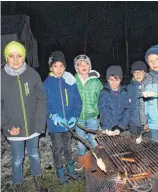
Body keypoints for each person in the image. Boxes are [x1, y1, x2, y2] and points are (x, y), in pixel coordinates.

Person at [1, 41, 48, 192]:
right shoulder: (1, 77)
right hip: (14, 129)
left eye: (19, 55)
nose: (15, 59)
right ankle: (18, 182)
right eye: (11, 56)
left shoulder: (32, 74)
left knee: (34, 153)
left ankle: (37, 178)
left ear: (24, 57)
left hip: (33, 126)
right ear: (6, 57)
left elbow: (41, 100)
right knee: (17, 159)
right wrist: (7, 127)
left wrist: (40, 124)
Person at [43, 51, 83, 184]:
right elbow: (43, 103)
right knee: (57, 147)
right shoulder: (47, 84)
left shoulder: (70, 81)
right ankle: (60, 171)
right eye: (55, 66)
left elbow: (78, 101)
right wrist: (52, 115)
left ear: (65, 67)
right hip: (55, 125)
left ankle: (70, 168)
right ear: (50, 68)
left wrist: (74, 117)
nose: (59, 69)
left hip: (68, 124)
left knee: (68, 146)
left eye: (61, 66)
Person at [73, 54, 103, 170]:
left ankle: (96, 160)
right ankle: (82, 159)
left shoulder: (95, 82)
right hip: (78, 117)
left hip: (92, 116)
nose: (83, 66)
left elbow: (101, 98)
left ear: (89, 66)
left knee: (93, 140)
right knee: (81, 141)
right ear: (77, 68)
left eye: (86, 64)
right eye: (80, 65)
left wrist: (99, 112)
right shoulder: (73, 81)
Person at [98, 65, 130, 133]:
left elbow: (127, 110)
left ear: (121, 79)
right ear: (107, 79)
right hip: (107, 128)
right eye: (111, 80)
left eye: (117, 79)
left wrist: (122, 125)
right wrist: (112, 126)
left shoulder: (124, 92)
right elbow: (103, 111)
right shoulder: (104, 93)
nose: (114, 82)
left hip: (121, 127)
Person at [127, 61, 148, 136]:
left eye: (140, 72)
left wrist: (150, 122)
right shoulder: (129, 88)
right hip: (133, 123)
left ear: (145, 73)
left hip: (147, 124)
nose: (138, 74)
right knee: (134, 144)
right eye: (135, 72)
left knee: (148, 145)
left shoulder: (150, 86)